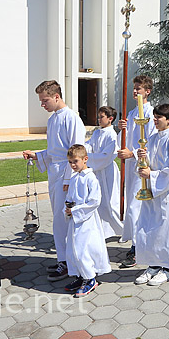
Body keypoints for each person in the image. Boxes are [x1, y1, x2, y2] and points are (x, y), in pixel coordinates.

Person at [23, 80, 85, 282]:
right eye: (41, 101)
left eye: (45, 100)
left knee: (65, 218)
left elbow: (76, 150)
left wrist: (69, 178)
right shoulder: (52, 120)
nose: (42, 105)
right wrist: (37, 156)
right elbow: (54, 151)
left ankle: (71, 262)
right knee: (58, 219)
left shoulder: (71, 118)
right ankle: (63, 259)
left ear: (56, 96)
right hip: (55, 172)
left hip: (67, 174)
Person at [134, 104, 169, 286]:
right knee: (150, 228)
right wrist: (142, 158)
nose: (155, 120)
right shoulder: (152, 138)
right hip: (151, 191)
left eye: (159, 117)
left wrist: (153, 175)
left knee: (165, 230)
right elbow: (149, 163)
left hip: (166, 193)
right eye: (155, 117)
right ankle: (154, 264)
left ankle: (168, 268)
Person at [116, 75, 156, 268]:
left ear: (147, 91)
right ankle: (135, 243)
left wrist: (133, 153)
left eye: (138, 89)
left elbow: (150, 140)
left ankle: (139, 247)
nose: (135, 91)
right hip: (131, 167)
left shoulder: (150, 113)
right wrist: (121, 129)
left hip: (142, 165)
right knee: (132, 207)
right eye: (134, 88)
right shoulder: (132, 113)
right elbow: (127, 138)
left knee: (136, 207)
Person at [62, 144, 111, 297]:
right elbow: (69, 198)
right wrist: (68, 209)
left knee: (83, 249)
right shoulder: (75, 177)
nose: (72, 165)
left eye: (75, 161)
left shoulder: (91, 178)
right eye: (70, 162)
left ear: (85, 159)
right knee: (72, 248)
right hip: (74, 220)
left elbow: (95, 201)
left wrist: (76, 210)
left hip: (87, 220)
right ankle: (80, 275)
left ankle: (90, 278)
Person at [85, 106, 123, 239]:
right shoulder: (97, 133)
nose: (98, 119)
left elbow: (107, 155)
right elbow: (89, 145)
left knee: (110, 202)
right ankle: (102, 231)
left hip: (107, 171)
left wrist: (88, 158)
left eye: (101, 117)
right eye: (99, 116)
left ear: (110, 119)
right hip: (97, 172)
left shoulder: (112, 135)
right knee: (98, 201)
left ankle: (122, 230)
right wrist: (81, 150)